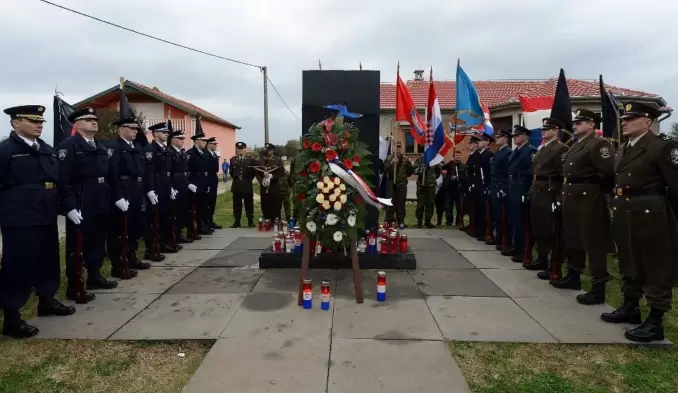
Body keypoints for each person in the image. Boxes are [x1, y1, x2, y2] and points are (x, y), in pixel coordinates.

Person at [600, 101, 678, 343]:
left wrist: (669, 216)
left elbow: (675, 186)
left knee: (655, 264)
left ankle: (655, 321)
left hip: (651, 213)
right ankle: (631, 306)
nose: (624, 122)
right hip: (625, 210)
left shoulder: (662, 147)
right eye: (623, 119)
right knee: (629, 257)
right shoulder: (624, 148)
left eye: (630, 119)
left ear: (647, 122)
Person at [0, 105, 75, 338]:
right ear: (15, 123)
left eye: (41, 121)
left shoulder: (46, 150)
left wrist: (68, 206)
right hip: (19, 216)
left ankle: (47, 300)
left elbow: (60, 181)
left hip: (46, 212)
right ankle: (12, 316)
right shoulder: (5, 150)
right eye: (32, 121)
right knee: (18, 265)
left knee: (48, 259)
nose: (39, 125)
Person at [56, 107, 118, 304]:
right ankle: (75, 284)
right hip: (82, 196)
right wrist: (69, 206)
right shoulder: (69, 146)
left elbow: (108, 174)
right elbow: (62, 180)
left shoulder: (100, 146)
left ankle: (94, 274)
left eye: (95, 119)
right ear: (77, 124)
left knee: (98, 238)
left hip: (101, 195)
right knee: (78, 242)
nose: (94, 122)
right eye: (88, 119)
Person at [554, 109, 615, 303]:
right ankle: (574, 274)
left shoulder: (599, 144)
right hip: (572, 195)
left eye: (580, 122)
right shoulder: (574, 144)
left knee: (593, 240)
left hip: (590, 196)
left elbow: (607, 173)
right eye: (575, 122)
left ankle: (599, 285)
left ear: (592, 124)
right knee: (573, 236)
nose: (575, 125)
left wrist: (596, 191)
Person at [106, 113, 151, 277]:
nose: (135, 131)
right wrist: (117, 196)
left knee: (134, 226)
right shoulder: (114, 146)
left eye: (136, 129)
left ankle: (131, 257)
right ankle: (118, 264)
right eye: (132, 128)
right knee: (119, 229)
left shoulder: (137, 147)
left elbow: (143, 171)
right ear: (122, 129)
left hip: (137, 188)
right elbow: (112, 174)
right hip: (123, 188)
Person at [526, 118, 569, 273]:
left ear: (555, 131)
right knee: (539, 226)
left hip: (550, 191)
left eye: (547, 129)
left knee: (550, 228)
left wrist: (559, 197)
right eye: (542, 129)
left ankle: (554, 263)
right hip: (538, 190)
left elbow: (563, 175)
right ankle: (542, 258)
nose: (543, 132)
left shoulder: (560, 149)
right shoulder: (542, 148)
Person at [143, 122, 180, 257]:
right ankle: (151, 247)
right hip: (156, 188)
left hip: (165, 187)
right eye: (164, 132)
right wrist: (150, 190)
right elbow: (149, 171)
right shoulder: (150, 150)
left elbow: (168, 172)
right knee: (153, 219)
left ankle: (163, 243)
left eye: (166, 132)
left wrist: (170, 188)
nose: (166, 135)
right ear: (156, 133)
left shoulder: (166, 150)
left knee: (165, 217)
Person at [504, 125, 537, 262]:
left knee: (522, 221)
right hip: (513, 188)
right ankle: (517, 246)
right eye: (514, 136)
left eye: (517, 136)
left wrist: (525, 191)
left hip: (522, 189)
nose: (514, 138)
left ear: (525, 136)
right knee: (514, 219)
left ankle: (523, 249)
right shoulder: (515, 151)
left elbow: (530, 173)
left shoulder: (530, 150)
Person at [167, 128, 195, 243]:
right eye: (180, 139)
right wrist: (171, 186)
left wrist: (188, 183)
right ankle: (174, 234)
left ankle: (179, 232)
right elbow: (168, 171)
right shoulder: (170, 152)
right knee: (174, 211)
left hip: (183, 183)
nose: (182, 141)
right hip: (175, 183)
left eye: (183, 138)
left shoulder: (181, 152)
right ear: (173, 140)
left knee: (183, 209)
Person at [187, 126, 212, 235]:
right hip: (195, 184)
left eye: (206, 141)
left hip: (203, 183)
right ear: (196, 141)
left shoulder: (205, 153)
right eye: (203, 140)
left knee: (202, 207)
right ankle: (193, 229)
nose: (205, 142)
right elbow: (187, 170)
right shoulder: (190, 153)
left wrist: (208, 184)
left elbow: (206, 169)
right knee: (194, 208)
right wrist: (189, 183)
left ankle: (202, 226)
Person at [489, 130, 512, 250]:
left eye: (499, 137)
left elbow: (507, 173)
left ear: (506, 138)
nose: (496, 139)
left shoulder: (508, 152)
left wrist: (503, 188)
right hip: (494, 186)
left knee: (504, 216)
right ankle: (498, 237)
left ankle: (505, 240)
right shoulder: (498, 152)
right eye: (496, 137)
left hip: (501, 187)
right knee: (496, 214)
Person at [384, 141, 413, 229]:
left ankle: (401, 221)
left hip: (401, 184)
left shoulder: (405, 159)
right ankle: (390, 221)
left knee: (401, 204)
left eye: (399, 147)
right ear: (394, 147)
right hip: (391, 184)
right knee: (390, 203)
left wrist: (403, 177)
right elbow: (384, 169)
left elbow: (410, 171)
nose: (398, 148)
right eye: (396, 146)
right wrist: (391, 163)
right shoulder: (389, 158)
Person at [471, 134, 494, 241]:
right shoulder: (479, 154)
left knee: (484, 210)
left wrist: (487, 186)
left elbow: (489, 172)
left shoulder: (489, 155)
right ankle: (477, 229)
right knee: (478, 209)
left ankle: (484, 231)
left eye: (481, 141)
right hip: (478, 184)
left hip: (484, 185)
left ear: (487, 142)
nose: (479, 143)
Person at [255, 143, 284, 222]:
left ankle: (276, 219)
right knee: (265, 202)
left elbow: (281, 172)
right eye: (266, 150)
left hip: (274, 185)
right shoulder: (260, 160)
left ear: (273, 150)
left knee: (275, 202)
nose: (267, 152)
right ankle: (267, 218)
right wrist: (261, 181)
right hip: (264, 185)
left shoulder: (278, 160)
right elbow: (257, 172)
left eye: (269, 150)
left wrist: (272, 176)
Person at [229, 142, 256, 228]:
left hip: (247, 184)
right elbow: (231, 172)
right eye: (238, 149)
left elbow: (253, 172)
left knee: (249, 204)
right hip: (237, 185)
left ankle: (250, 221)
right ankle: (237, 221)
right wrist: (237, 178)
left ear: (245, 149)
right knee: (236, 204)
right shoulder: (233, 159)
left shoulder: (250, 160)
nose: (240, 150)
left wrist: (247, 179)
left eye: (241, 149)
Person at [413, 154, 440, 228]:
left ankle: (428, 221)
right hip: (421, 185)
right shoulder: (420, 159)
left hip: (431, 185)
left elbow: (438, 171)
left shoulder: (434, 159)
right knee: (420, 204)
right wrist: (422, 168)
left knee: (430, 203)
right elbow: (415, 171)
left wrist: (432, 178)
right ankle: (419, 221)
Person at [464, 137, 480, 235]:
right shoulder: (471, 155)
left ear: (476, 144)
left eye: (471, 143)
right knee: (469, 206)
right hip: (469, 184)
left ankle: (475, 225)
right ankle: (471, 223)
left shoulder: (477, 155)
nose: (468, 145)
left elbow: (476, 172)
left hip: (474, 184)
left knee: (474, 207)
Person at [442, 151, 462, 227]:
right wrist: (450, 161)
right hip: (449, 189)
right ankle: (449, 221)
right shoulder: (450, 164)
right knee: (448, 206)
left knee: (459, 207)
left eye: (458, 155)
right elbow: (443, 167)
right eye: (456, 155)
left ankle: (458, 221)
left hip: (458, 189)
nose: (457, 157)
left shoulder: (462, 165)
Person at [205, 137, 221, 229]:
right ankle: (207, 221)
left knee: (212, 202)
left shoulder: (214, 154)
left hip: (214, 179)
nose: (216, 146)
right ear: (209, 144)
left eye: (216, 144)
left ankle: (211, 221)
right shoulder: (206, 154)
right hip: (208, 180)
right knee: (207, 202)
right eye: (214, 144)